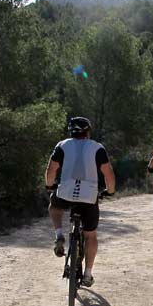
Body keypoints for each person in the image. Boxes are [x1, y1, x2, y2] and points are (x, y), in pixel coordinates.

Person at [45, 117, 115, 288]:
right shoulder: (97, 148)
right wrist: (110, 191)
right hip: (89, 195)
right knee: (90, 235)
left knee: (54, 206)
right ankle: (88, 274)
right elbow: (108, 173)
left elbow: (51, 169)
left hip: (66, 192)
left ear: (71, 131)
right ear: (88, 131)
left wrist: (49, 185)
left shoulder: (62, 145)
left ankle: (59, 234)